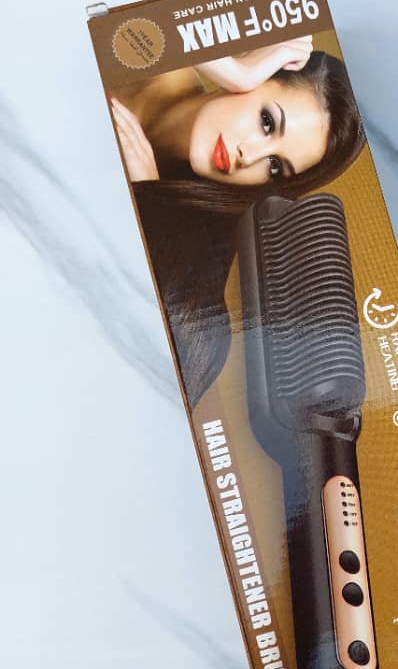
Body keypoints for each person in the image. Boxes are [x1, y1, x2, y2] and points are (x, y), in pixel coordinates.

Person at [109, 39, 366, 407]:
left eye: (275, 167)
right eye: (267, 122)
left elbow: (181, 369)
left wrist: (149, 200)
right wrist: (233, 69)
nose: (249, 155)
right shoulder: (150, 49)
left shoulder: (196, 244)